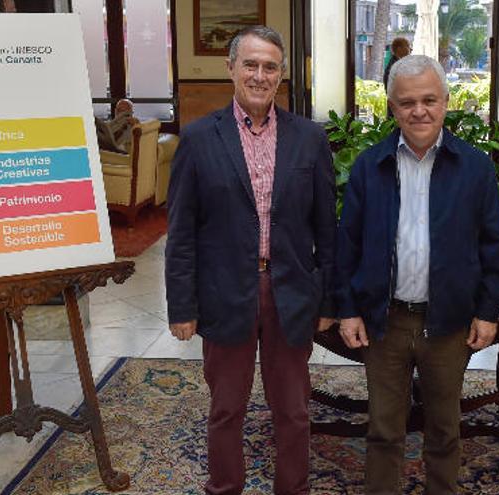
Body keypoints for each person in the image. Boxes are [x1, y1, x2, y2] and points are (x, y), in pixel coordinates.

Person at [164, 25, 336, 495]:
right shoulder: (199, 139)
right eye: (251, 65)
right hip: (224, 294)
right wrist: (182, 306)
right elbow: (180, 233)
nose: (260, 75)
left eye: (270, 67)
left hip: (291, 294)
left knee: (294, 410)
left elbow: (327, 229)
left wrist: (329, 298)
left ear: (281, 74)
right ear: (231, 69)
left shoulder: (309, 139)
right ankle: (224, 488)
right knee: (226, 410)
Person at [336, 54, 499, 494]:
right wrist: (348, 309)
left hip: (447, 324)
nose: (419, 111)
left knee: (445, 429)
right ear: (391, 108)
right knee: (383, 429)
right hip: (385, 322)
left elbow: (494, 247)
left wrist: (488, 311)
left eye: (429, 100)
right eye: (407, 102)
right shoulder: (369, 166)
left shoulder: (474, 168)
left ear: (446, 102)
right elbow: (347, 247)